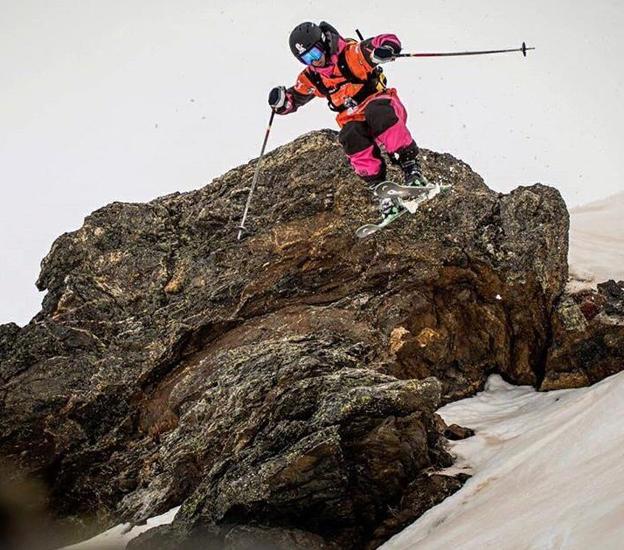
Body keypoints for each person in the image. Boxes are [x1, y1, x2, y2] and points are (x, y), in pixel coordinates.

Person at [268, 21, 429, 222]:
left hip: (379, 103)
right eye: (306, 58)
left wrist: (386, 49)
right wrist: (281, 102)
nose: (314, 61)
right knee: (349, 135)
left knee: (377, 112)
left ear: (324, 42)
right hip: (353, 116)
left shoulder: (352, 54)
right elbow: (294, 99)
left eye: (315, 53)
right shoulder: (313, 77)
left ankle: (411, 169)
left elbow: (387, 39)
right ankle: (382, 191)